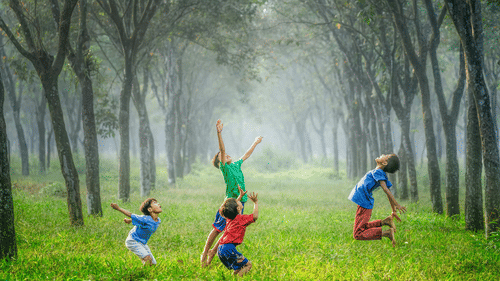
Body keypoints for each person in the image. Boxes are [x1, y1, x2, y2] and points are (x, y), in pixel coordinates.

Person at [200, 119, 262, 267]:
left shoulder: (235, 165)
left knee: (231, 228)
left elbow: (246, 155)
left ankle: (214, 251)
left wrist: (255, 142)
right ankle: (205, 253)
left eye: (227, 154)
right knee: (217, 229)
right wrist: (219, 133)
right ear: (220, 162)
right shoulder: (225, 169)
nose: (227, 155)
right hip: (230, 203)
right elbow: (222, 150)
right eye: (223, 155)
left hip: (241, 201)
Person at [348, 153, 406, 247]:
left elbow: (386, 189)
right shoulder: (379, 173)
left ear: (384, 162)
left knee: (358, 234)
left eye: (385, 155)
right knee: (362, 227)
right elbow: (388, 190)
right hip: (364, 202)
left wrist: (396, 204)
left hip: (364, 203)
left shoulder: (378, 172)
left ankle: (386, 233)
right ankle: (385, 222)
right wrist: (393, 210)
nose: (382, 154)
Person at [217, 187, 259, 277]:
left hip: (221, 249)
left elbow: (232, 207)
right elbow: (255, 216)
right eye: (238, 201)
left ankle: (234, 277)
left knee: (238, 268)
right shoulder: (241, 219)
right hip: (229, 249)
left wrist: (240, 196)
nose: (239, 201)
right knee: (248, 265)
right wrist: (255, 202)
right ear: (238, 208)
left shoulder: (229, 218)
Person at [110, 198, 162, 266]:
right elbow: (131, 214)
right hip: (133, 241)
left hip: (142, 242)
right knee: (148, 259)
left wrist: (130, 220)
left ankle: (147, 274)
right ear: (150, 209)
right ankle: (141, 274)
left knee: (153, 264)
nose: (158, 204)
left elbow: (142, 221)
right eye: (154, 203)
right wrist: (118, 208)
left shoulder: (158, 220)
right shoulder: (145, 218)